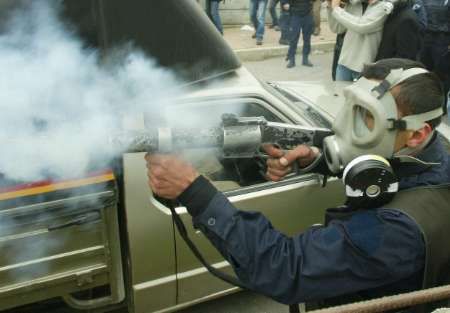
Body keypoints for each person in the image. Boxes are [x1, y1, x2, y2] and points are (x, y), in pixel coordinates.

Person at [146, 58, 450, 311]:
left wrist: (194, 191)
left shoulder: (399, 230)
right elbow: (385, 167)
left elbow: (285, 269)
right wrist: (317, 159)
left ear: (416, 134)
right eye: (350, 105)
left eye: (364, 116)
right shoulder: (431, 157)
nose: (342, 125)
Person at [327, 0, 391, 81]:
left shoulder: (384, 6)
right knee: (338, 93)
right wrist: (330, 6)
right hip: (344, 63)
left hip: (365, 68)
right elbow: (337, 28)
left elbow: (362, 26)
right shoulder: (354, 4)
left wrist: (336, 9)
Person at [420, 0, 450, 101]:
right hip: (425, 38)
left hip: (443, 39)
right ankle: (425, 101)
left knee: (442, 73)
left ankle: (442, 104)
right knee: (423, 71)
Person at [282, 0, 315, 68]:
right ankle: (292, 60)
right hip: (295, 14)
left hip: (307, 14)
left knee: (307, 38)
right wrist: (284, 3)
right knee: (293, 38)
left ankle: (305, 59)